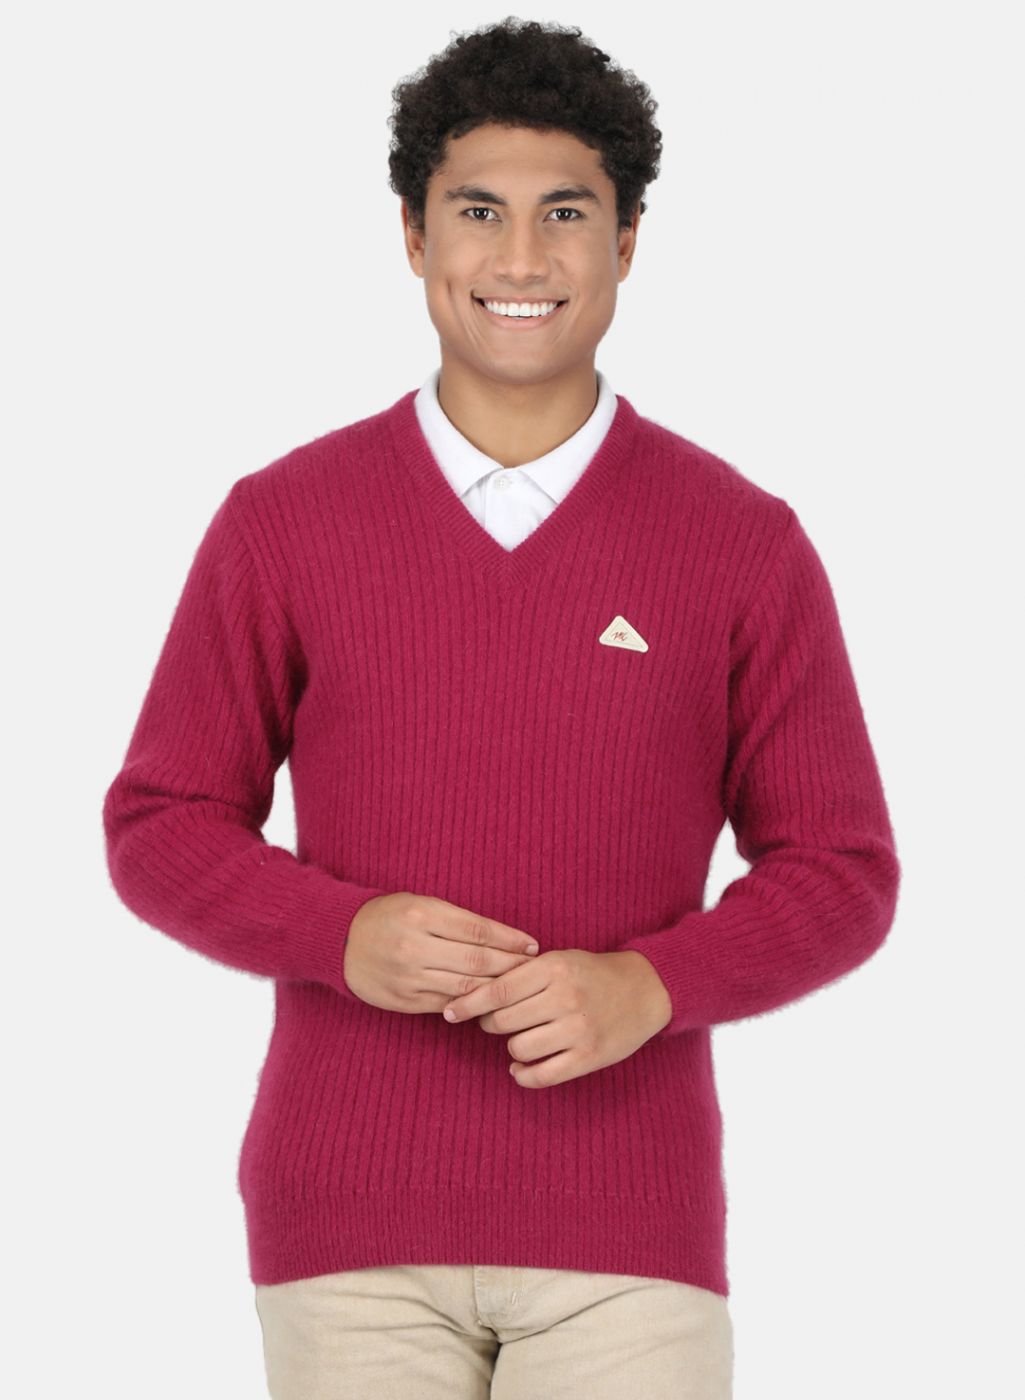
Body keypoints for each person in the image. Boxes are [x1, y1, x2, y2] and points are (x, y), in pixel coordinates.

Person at [102, 17, 901, 1400]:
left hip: (628, 1235)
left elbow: (841, 869)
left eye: (565, 214)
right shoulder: (283, 521)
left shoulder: (740, 542)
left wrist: (652, 985)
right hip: (348, 1230)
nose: (521, 259)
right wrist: (338, 933)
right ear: (414, 238)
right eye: (478, 212)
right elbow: (160, 821)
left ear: (627, 242)